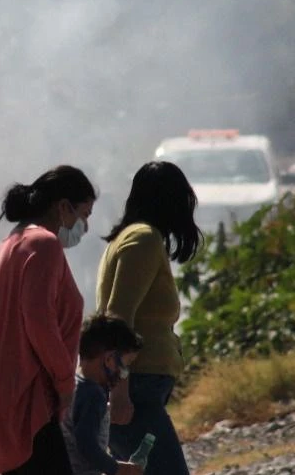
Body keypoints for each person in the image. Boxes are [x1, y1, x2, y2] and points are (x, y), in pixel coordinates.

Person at [0, 165, 98, 475]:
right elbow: (39, 321)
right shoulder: (44, 244)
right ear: (63, 207)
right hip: (23, 392)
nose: (84, 225)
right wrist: (64, 381)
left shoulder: (15, 241)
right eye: (84, 215)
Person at [96, 161, 203, 475]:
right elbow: (118, 318)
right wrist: (119, 393)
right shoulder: (143, 239)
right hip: (136, 387)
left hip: (140, 387)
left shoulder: (135, 238)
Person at [62, 313, 145, 475]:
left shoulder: (73, 384)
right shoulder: (93, 395)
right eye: (125, 365)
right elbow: (86, 444)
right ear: (109, 359)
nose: (123, 373)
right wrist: (117, 468)